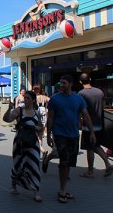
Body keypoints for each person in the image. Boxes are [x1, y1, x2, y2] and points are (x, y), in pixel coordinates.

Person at [47, 74, 96, 203]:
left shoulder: (78, 99)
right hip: (59, 134)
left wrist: (92, 132)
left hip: (73, 135)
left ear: (70, 84)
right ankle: (62, 190)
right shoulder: (54, 99)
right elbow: (50, 118)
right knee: (64, 162)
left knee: (69, 163)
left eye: (64, 83)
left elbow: (86, 116)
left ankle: (63, 187)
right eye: (60, 83)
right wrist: (49, 135)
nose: (61, 85)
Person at [6, 91, 43, 202]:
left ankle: (36, 191)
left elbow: (41, 127)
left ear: (33, 100)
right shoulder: (19, 111)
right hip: (20, 142)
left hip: (33, 143)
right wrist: (9, 108)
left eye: (27, 98)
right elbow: (7, 119)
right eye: (24, 98)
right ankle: (14, 185)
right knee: (18, 165)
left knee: (34, 165)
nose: (25, 100)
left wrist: (37, 129)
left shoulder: (37, 113)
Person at [78, 73, 113, 178]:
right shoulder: (99, 92)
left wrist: (80, 121)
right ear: (90, 79)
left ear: (80, 82)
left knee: (90, 148)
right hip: (99, 124)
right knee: (96, 146)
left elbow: (81, 110)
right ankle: (107, 164)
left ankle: (90, 171)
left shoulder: (80, 93)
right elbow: (103, 107)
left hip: (88, 126)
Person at [33, 85, 50, 156]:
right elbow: (52, 101)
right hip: (44, 117)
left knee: (34, 135)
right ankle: (40, 150)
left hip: (35, 117)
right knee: (40, 135)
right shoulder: (44, 97)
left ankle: (41, 150)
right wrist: (48, 109)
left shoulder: (33, 98)